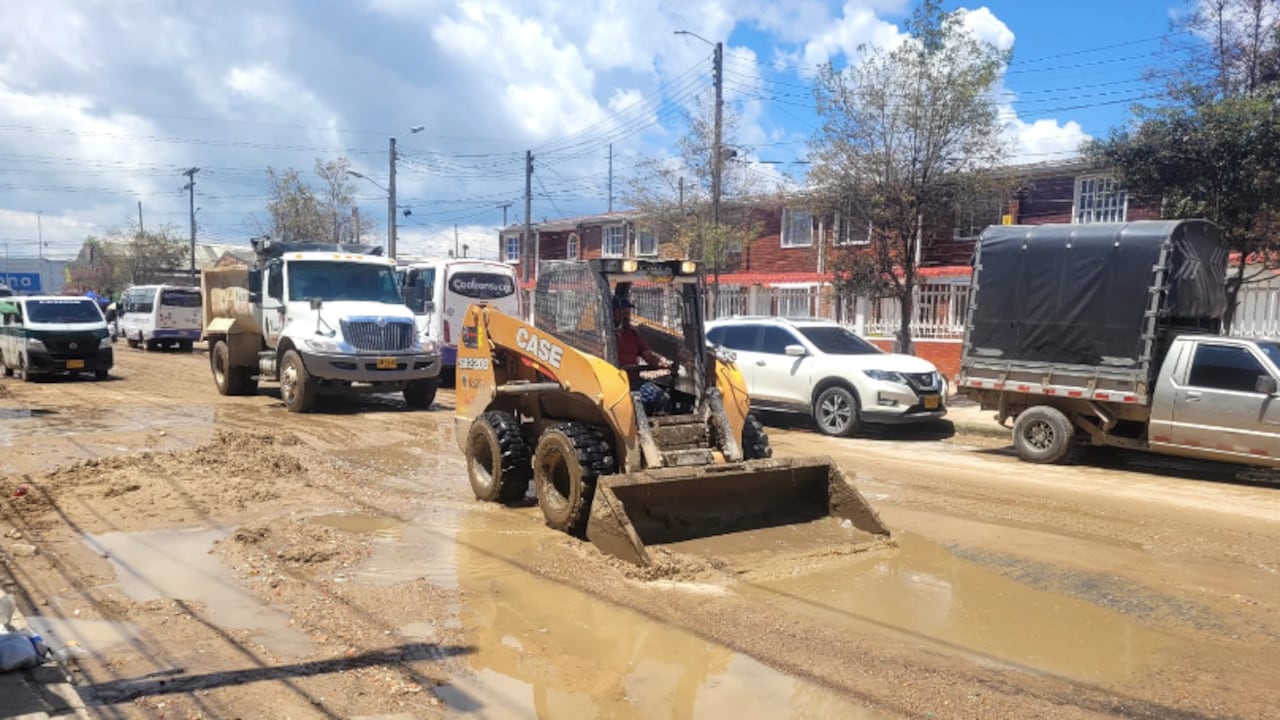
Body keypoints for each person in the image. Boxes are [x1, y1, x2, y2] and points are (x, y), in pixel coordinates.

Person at [612, 295, 673, 414]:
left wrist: (662, 364)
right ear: (611, 312)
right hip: (613, 383)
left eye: (627, 311)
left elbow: (648, 356)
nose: (625, 315)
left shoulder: (633, 335)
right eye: (621, 311)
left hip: (633, 381)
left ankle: (655, 426)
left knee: (661, 397)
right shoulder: (604, 336)